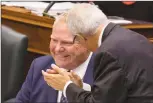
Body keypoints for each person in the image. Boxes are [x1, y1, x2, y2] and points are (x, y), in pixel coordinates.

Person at [42, 3, 153, 103]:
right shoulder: (130, 36)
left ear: (81, 37)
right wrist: (78, 88)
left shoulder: (108, 52)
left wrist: (66, 86)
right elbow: (112, 94)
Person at [15, 14, 95, 103]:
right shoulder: (40, 66)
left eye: (66, 43)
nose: (57, 49)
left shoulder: (105, 74)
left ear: (88, 43)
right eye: (54, 40)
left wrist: (74, 91)